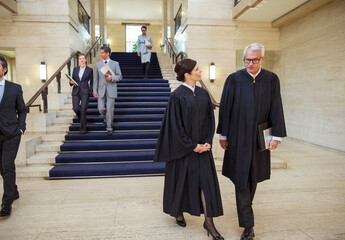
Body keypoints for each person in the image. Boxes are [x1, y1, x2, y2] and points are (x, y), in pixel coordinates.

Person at [217, 43, 286, 240]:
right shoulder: (234, 79)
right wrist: (223, 134)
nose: (249, 63)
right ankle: (248, 225)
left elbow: (276, 107)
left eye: (254, 60)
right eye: (246, 59)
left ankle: (246, 208)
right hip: (238, 136)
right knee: (241, 178)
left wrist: (276, 136)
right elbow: (226, 108)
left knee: (253, 177)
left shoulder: (271, 79)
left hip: (259, 136)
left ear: (262, 59)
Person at [154, 58, 224, 240]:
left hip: (204, 149)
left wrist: (207, 142)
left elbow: (210, 120)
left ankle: (209, 222)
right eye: (197, 69)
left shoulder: (202, 94)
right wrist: (192, 146)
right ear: (187, 74)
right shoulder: (177, 96)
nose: (200, 71)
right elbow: (175, 126)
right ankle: (177, 212)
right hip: (183, 150)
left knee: (206, 185)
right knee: (181, 183)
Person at [0, 56, 26, 218]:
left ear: (4, 69)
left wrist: (21, 128)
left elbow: (22, 109)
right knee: (1, 168)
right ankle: (14, 190)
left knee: (7, 165)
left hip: (11, 133)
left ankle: (6, 203)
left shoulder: (14, 88)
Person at [93, 46, 122, 136]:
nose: (101, 54)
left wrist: (112, 77)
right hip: (101, 89)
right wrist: (94, 90)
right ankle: (106, 118)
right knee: (100, 108)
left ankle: (109, 127)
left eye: (102, 53)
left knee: (110, 109)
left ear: (107, 53)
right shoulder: (98, 65)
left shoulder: (115, 64)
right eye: (100, 52)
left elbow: (119, 76)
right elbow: (95, 79)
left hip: (111, 89)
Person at [69, 53, 93, 134]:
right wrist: (71, 82)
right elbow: (72, 81)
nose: (82, 60)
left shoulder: (89, 70)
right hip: (75, 91)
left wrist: (90, 90)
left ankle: (83, 129)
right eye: (80, 59)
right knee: (76, 108)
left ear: (85, 60)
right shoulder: (75, 69)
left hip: (85, 91)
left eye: (83, 58)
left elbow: (92, 82)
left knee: (83, 110)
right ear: (78, 60)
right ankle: (81, 118)